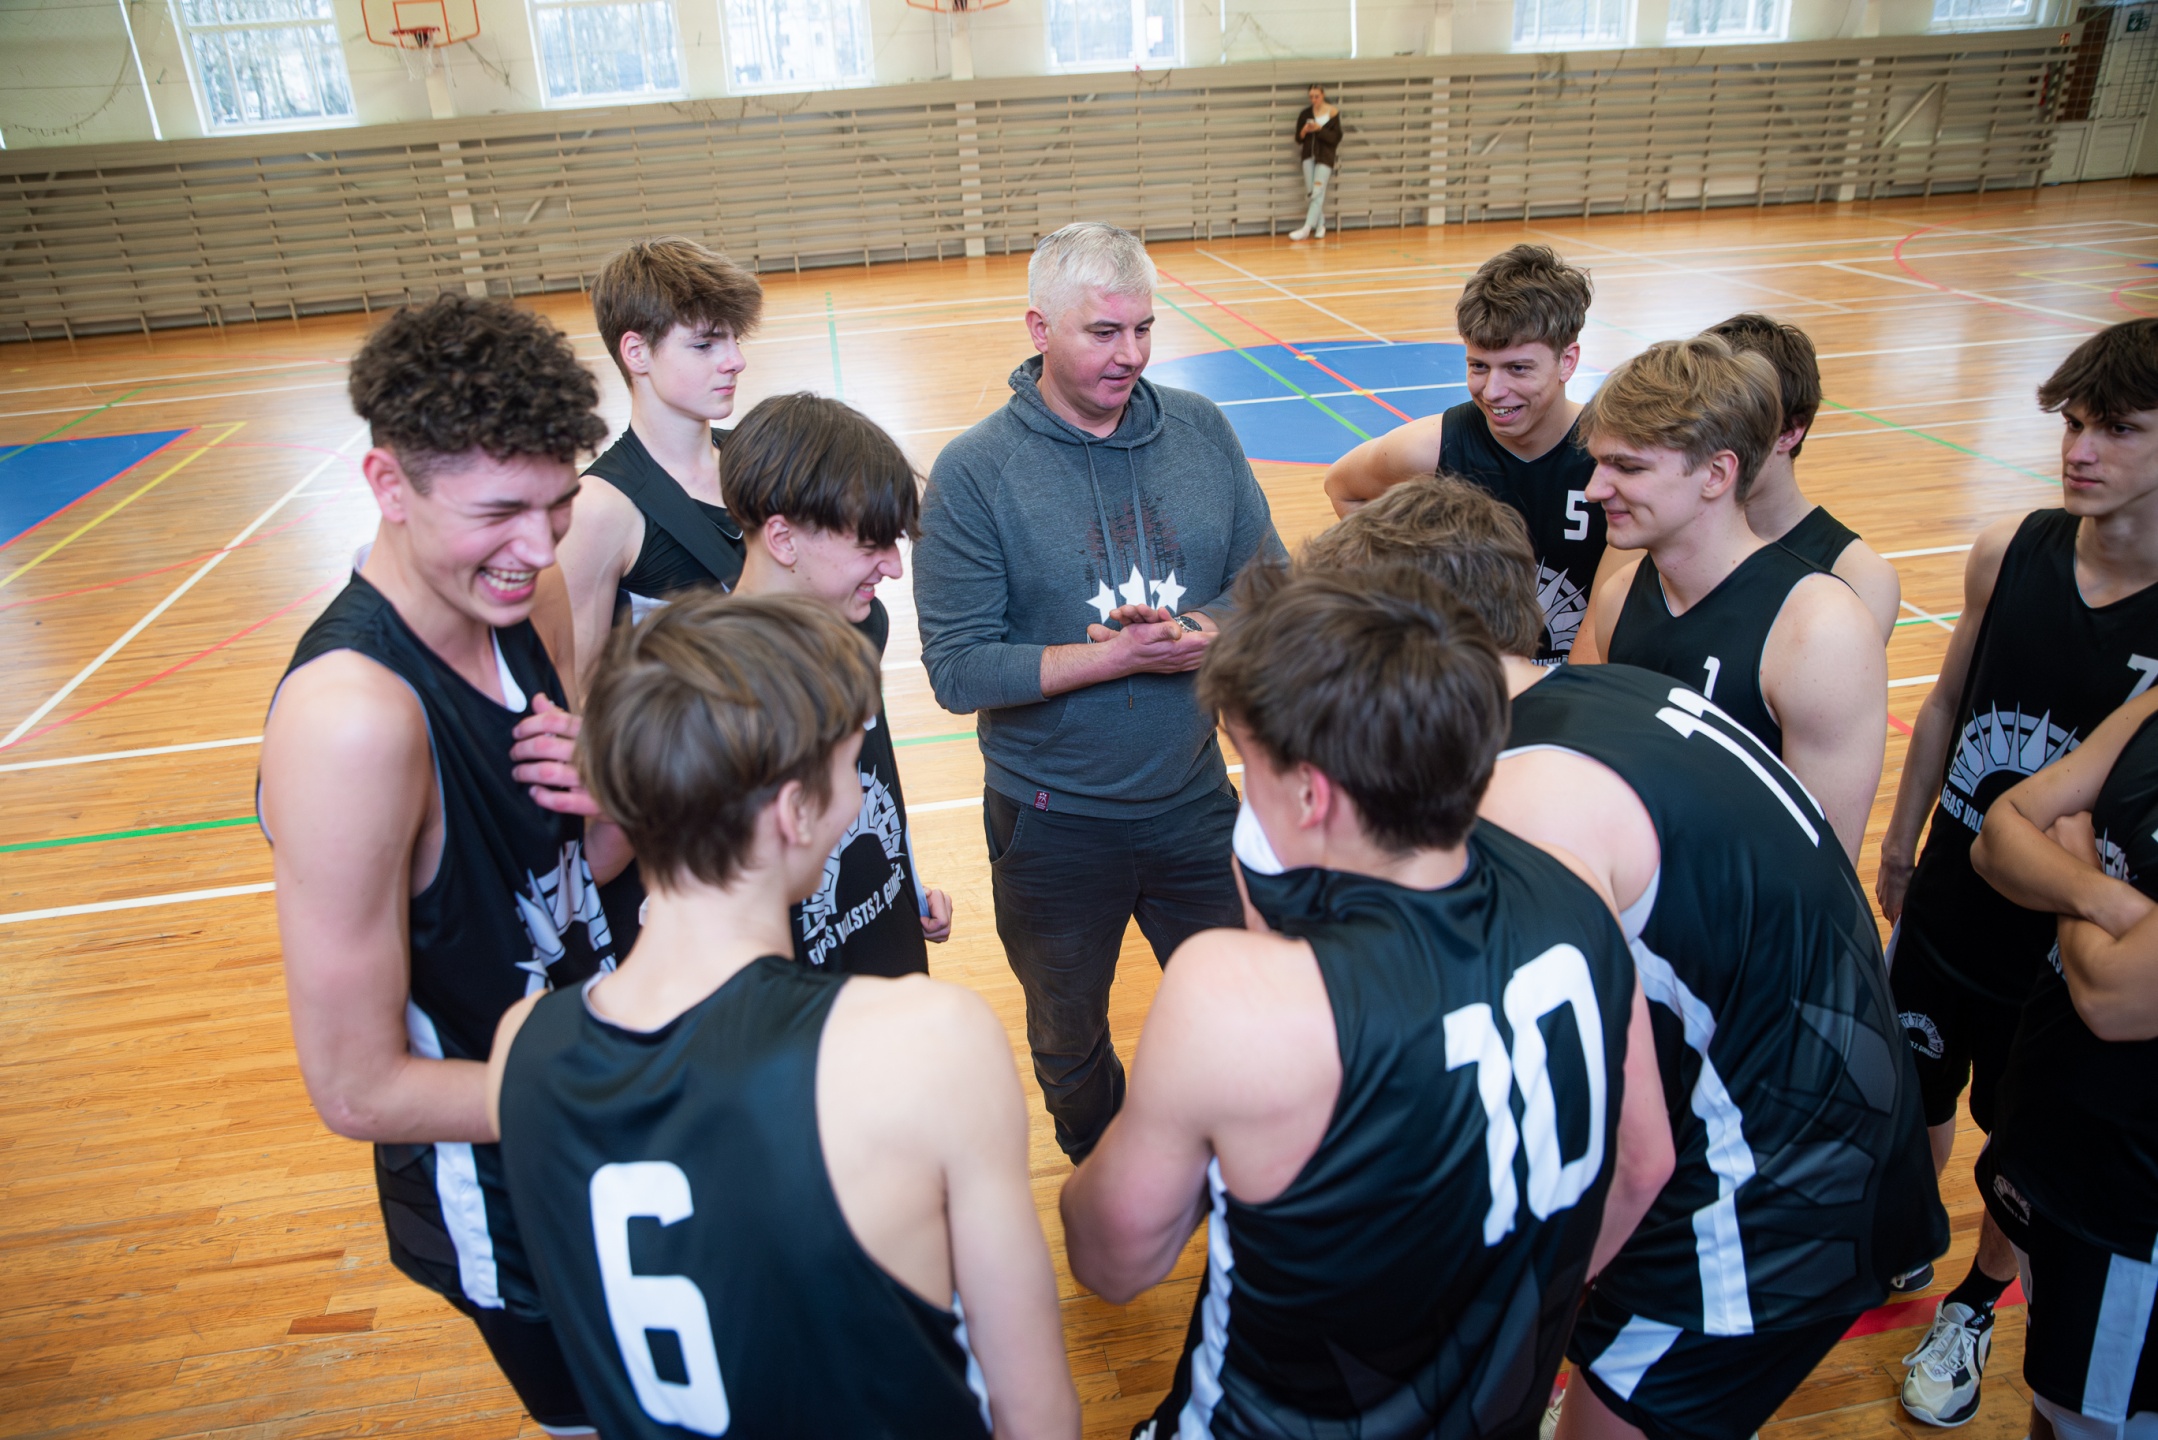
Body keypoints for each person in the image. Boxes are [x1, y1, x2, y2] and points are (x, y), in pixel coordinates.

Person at [1309, 476, 1945, 1440]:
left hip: (1771, 1195)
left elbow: (1631, 1157)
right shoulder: (1614, 692)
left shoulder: (1524, 806)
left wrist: (1505, 1322)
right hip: (1820, 1111)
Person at [1059, 562, 1673, 1438]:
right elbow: (1643, 1166)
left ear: (1312, 793)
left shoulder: (1238, 999)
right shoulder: (1579, 890)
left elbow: (1111, 1261)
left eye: (1248, 764)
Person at [489, 592, 1079, 1440]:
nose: (857, 795)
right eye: (847, 770)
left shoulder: (523, 1047)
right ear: (794, 812)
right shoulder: (929, 1043)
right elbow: (1036, 1414)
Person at [257, 294, 625, 1436]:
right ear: (387, 485)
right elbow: (357, 1087)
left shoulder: (527, 602)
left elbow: (581, 868)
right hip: (509, 1185)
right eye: (499, 511)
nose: (540, 547)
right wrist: (645, 1090)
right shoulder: (352, 721)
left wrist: (626, 796)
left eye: (560, 504)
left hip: (602, 1097)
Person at [915, 220, 1287, 1163]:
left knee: (1247, 1006)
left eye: (1144, 329)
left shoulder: (1202, 432)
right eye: (1104, 332)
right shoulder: (975, 473)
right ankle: (1105, 1173)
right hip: (1053, 824)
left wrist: (1194, 634)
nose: (1131, 355)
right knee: (1069, 1038)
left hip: (1194, 800)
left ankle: (1240, 1169)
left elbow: (1270, 585)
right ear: (1040, 329)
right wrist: (1109, 661)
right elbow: (957, 668)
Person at [1877, 317, 2158, 1425]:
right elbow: (1949, 700)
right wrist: (1901, 841)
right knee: (1910, 1088)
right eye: (2073, 424)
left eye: (2118, 430)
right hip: (1953, 893)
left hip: (2060, 952)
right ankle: (1907, 1234)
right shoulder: (2012, 549)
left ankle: (1975, 1302)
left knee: (2022, 1147)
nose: (2080, 450)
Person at [1569, 334, 1886, 863]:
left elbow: (1819, 872)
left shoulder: (1819, 630)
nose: (1594, 490)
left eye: (1628, 468)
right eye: (1600, 464)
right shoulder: (1619, 596)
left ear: (1716, 474)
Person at [1971, 687, 2158, 1440]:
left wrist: (2073, 855)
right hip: (2054, 1147)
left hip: (2129, 1213)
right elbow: (1998, 835)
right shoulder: (2151, 709)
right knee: (2053, 1403)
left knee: (2095, 1420)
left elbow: (2111, 998)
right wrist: (2113, 905)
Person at [721, 391, 951, 974]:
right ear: (783, 539)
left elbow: (875, 778)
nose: (894, 566)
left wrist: (904, 881)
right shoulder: (714, 690)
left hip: (887, 938)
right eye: (871, 544)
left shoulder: (862, 623)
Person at [1322, 243, 1613, 662]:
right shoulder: (1431, 448)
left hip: (1577, 679)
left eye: (1517, 368)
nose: (1493, 391)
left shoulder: (1612, 459)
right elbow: (1343, 488)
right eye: (1479, 366)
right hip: (1469, 681)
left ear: (1567, 362)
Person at [556, 237, 765, 690]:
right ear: (636, 353)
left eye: (735, 339)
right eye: (705, 345)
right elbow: (579, 690)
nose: (736, 361)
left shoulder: (756, 457)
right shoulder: (598, 510)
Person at [1706, 312, 1901, 642]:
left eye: (1731, 420)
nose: (1702, 442)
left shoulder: (1859, 577)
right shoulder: (1666, 528)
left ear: (1789, 432)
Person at [1289, 84, 1341, 242]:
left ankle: (1306, 228)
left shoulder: (1332, 113)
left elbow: (1335, 138)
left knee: (1317, 192)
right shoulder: (1305, 114)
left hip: (1324, 157)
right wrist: (1305, 130)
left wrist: (1319, 129)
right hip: (1308, 156)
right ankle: (1320, 225)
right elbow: (1298, 138)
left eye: (1316, 96)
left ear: (1323, 95)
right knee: (1312, 192)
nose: (1314, 100)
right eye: (1311, 97)